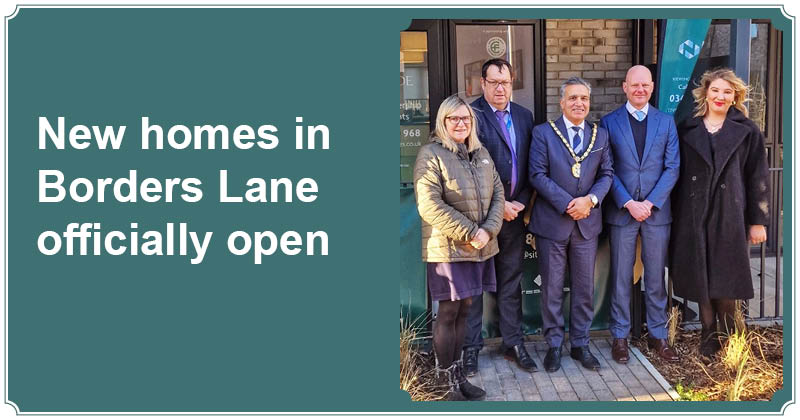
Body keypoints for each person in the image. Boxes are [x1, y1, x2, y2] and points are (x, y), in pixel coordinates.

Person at [669, 68, 770, 357]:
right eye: (715, 90)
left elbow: (758, 178)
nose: (720, 96)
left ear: (735, 96)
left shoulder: (747, 130)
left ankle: (730, 335)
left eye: (727, 92)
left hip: (730, 215)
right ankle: (707, 333)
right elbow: (678, 173)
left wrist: (757, 221)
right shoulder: (687, 128)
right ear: (706, 93)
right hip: (693, 213)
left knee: (725, 277)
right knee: (701, 276)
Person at [413, 94, 504, 400]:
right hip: (449, 249)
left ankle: (458, 376)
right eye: (454, 118)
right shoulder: (431, 154)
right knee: (449, 313)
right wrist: (471, 233)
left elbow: (499, 194)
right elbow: (429, 204)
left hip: (480, 247)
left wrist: (488, 231)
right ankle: (443, 382)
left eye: (466, 118)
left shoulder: (480, 153)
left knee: (467, 310)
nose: (461, 123)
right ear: (443, 121)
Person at [528, 77, 613, 372]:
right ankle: (553, 345)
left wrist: (589, 201)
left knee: (584, 289)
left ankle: (580, 344)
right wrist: (568, 203)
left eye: (584, 99)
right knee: (551, 288)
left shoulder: (599, 135)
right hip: (553, 223)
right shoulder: (543, 133)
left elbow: (607, 175)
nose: (579, 103)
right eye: (573, 98)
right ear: (561, 102)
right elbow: (537, 175)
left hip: (587, 223)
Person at [599, 65, 680, 364]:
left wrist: (650, 203)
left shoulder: (666, 122)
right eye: (635, 85)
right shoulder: (608, 123)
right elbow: (606, 169)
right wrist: (628, 203)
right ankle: (620, 336)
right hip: (623, 212)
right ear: (624, 87)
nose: (640, 90)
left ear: (652, 87)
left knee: (656, 277)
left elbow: (672, 168)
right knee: (621, 276)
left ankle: (658, 335)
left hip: (657, 214)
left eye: (645, 85)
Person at [463, 58, 536, 375]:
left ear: (512, 82)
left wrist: (519, 202)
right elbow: (464, 171)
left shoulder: (524, 116)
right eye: (493, 82)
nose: (499, 88)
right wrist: (500, 204)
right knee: (474, 287)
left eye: (504, 82)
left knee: (510, 283)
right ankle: (470, 349)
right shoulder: (470, 117)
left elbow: (531, 164)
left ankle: (513, 343)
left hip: (514, 218)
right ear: (482, 83)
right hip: (480, 218)